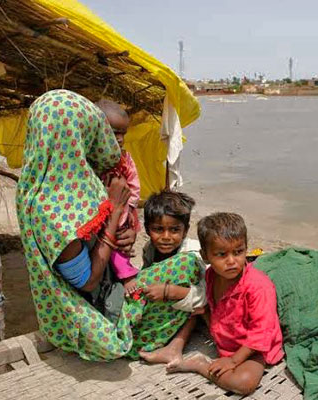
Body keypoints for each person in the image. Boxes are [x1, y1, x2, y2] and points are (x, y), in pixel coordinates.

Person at [17, 89, 201, 361]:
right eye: (94, 130)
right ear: (75, 135)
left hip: (110, 287)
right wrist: (114, 215)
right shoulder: (51, 209)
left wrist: (118, 231)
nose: (103, 140)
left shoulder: (67, 182)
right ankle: (146, 340)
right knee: (188, 266)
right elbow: (89, 281)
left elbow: (101, 231)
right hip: (99, 307)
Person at [171, 212, 284, 395]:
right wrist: (206, 313)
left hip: (254, 348)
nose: (232, 261)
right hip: (227, 333)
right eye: (221, 254)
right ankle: (173, 347)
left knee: (244, 384)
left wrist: (233, 361)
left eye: (238, 252)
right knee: (190, 310)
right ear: (205, 256)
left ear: (246, 249)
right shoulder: (211, 275)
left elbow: (261, 333)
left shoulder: (258, 287)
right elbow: (219, 307)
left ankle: (200, 366)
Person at [137, 190, 207, 367]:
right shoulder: (149, 249)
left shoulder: (192, 255)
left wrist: (170, 292)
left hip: (197, 307)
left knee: (197, 311)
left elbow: (207, 295)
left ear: (185, 231)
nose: (166, 237)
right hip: (173, 304)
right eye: (158, 229)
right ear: (147, 229)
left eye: (174, 230)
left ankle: (176, 346)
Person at [96, 99, 141, 294]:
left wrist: (129, 207)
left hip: (123, 212)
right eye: (115, 133)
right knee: (111, 245)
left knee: (121, 244)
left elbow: (133, 184)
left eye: (123, 133)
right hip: (101, 218)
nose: (120, 139)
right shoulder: (89, 165)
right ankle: (125, 275)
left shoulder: (124, 158)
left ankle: (125, 273)